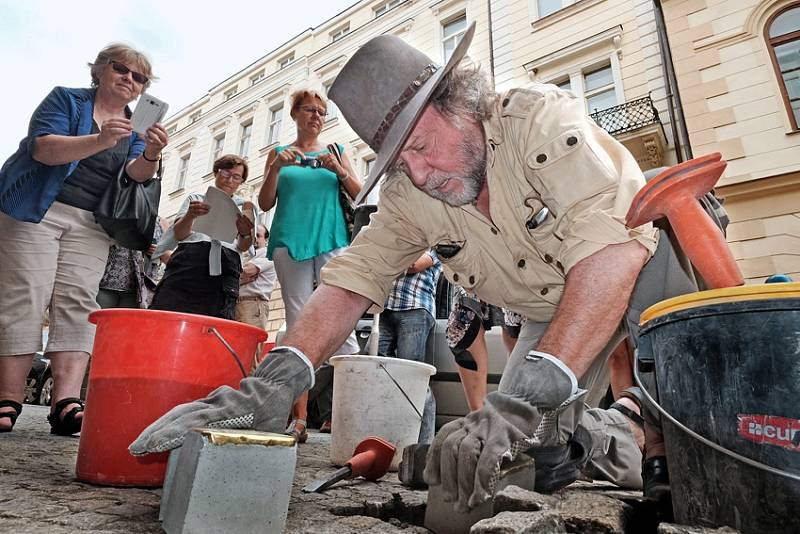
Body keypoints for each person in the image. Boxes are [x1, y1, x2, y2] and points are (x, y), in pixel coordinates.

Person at [130, 25, 699, 512]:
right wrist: (271, 383)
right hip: (552, 313)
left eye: (423, 146)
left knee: (690, 410)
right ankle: (617, 428)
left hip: (647, 267)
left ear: (465, 108)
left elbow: (611, 254)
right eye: (401, 162)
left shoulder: (537, 121)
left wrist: (522, 399)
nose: (420, 173)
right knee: (530, 463)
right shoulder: (409, 194)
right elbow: (353, 280)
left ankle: (671, 434)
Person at [0, 43, 167, 435]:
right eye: (121, 69)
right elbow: (42, 148)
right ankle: (8, 397)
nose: (129, 79)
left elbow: (136, 175)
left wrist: (153, 154)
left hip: (93, 222)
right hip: (36, 209)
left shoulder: (136, 126)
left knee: (78, 302)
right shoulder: (67, 100)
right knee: (26, 295)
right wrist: (101, 139)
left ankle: (67, 403)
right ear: (99, 70)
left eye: (139, 76)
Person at [256, 88, 362, 443]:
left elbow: (360, 193)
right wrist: (275, 167)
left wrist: (338, 170)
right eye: (308, 110)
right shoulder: (278, 154)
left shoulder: (337, 151)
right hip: (290, 240)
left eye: (321, 111)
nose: (316, 116)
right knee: (297, 324)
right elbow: (265, 201)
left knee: (342, 322)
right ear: (295, 114)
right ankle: (298, 419)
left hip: (330, 238)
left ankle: (350, 418)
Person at [149, 154, 254, 320]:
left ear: (241, 181)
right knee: (169, 311)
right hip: (189, 260)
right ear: (216, 173)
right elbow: (180, 234)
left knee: (214, 321)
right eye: (226, 174)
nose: (229, 180)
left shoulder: (245, 207)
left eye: (236, 177)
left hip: (225, 265)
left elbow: (244, 246)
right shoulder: (195, 199)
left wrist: (245, 232)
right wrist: (190, 215)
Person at [378, 250, 442, 444]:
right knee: (376, 371)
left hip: (415, 309)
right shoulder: (399, 236)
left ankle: (423, 445)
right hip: (386, 309)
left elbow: (414, 265)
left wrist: (387, 260)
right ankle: (384, 436)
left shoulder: (437, 243)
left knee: (413, 376)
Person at [236, 224, 277, 369]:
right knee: (236, 353)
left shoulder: (267, 252)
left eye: (258, 236)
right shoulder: (248, 255)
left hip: (252, 305)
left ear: (266, 240)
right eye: (252, 236)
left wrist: (238, 277)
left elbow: (246, 272)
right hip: (242, 304)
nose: (254, 240)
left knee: (248, 356)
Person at [97, 221, 165, 309]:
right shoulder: (118, 212)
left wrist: (156, 252)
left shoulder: (157, 225)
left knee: (125, 321)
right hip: (106, 282)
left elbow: (161, 255)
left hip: (136, 290)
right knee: (100, 319)